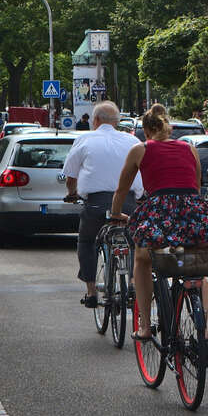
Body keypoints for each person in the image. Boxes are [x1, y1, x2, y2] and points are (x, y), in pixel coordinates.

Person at [111, 104, 208, 346]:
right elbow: (194, 184)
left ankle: (144, 326)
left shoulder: (140, 150)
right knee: (197, 265)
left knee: (142, 257)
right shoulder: (190, 149)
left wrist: (116, 212)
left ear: (146, 130)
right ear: (168, 127)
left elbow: (122, 188)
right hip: (193, 209)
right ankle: (201, 330)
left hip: (161, 209)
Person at [61, 101, 142, 309]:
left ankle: (90, 292)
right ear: (117, 121)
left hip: (96, 204)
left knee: (87, 241)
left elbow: (70, 174)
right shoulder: (131, 140)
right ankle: (132, 282)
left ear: (95, 120)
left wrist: (72, 193)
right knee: (134, 240)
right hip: (128, 203)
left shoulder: (84, 139)